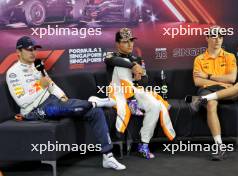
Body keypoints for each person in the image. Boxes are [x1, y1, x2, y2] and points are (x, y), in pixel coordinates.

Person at [6, 36, 126, 170]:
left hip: (52, 101)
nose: (33, 52)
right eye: (29, 50)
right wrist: (40, 85)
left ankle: (108, 157)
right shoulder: (13, 73)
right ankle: (94, 102)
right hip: (34, 111)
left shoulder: (37, 66)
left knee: (95, 112)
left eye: (34, 49)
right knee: (78, 108)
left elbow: (51, 85)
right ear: (18, 51)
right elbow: (22, 101)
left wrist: (62, 95)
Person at [105, 28, 176, 159]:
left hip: (134, 90)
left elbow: (145, 80)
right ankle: (131, 102)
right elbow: (114, 61)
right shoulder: (111, 56)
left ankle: (143, 145)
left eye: (131, 41)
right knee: (122, 64)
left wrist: (140, 76)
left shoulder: (137, 58)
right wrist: (132, 66)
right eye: (125, 42)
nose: (130, 44)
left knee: (155, 105)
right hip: (118, 92)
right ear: (117, 44)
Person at [186, 26, 238, 161]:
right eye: (214, 37)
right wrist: (216, 79)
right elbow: (197, 81)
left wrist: (207, 76)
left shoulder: (229, 56)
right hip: (208, 89)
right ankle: (219, 147)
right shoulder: (199, 59)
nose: (217, 40)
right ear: (207, 38)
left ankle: (201, 99)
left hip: (226, 90)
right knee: (211, 104)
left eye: (220, 37)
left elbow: (232, 79)